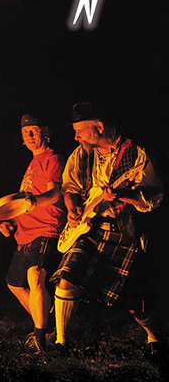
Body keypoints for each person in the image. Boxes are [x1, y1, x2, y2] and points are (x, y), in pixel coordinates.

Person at [51, 102, 164, 353]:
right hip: (89, 228)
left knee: (135, 303)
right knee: (67, 276)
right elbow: (69, 187)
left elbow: (153, 198)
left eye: (79, 131)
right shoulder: (82, 154)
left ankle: (154, 336)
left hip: (122, 231)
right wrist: (72, 209)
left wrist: (122, 195)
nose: (76, 136)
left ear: (99, 127)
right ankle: (61, 342)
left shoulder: (135, 155)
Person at [0, 114, 66, 353]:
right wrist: (10, 222)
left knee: (36, 279)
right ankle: (47, 323)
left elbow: (54, 194)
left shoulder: (53, 158)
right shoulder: (33, 163)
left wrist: (33, 202)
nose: (30, 135)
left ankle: (40, 340)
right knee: (14, 284)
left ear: (46, 133)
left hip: (45, 229)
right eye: (26, 132)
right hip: (24, 234)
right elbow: (23, 203)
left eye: (34, 130)